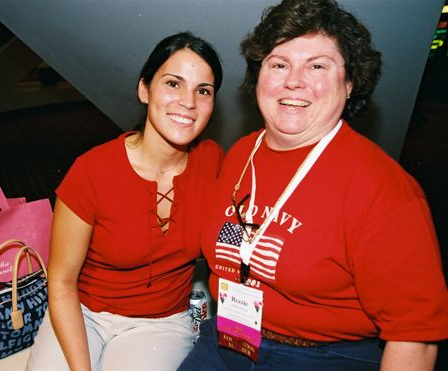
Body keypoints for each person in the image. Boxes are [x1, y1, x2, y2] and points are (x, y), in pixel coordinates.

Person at [178, 0, 448, 370]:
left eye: (317, 65)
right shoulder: (241, 153)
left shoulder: (385, 190)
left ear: (350, 83)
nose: (294, 81)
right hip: (228, 336)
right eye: (279, 64)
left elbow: (414, 340)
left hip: (320, 357)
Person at [24, 31, 224, 371]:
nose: (188, 102)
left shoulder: (214, 161)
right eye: (173, 84)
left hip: (160, 321)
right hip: (83, 312)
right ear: (144, 90)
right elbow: (60, 282)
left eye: (202, 91)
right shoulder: (92, 170)